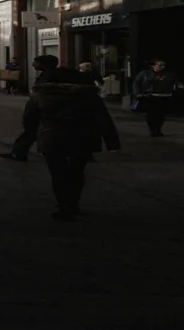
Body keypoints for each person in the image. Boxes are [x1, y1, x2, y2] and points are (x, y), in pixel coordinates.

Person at [23, 64, 121, 221]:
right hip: (83, 137)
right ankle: (73, 202)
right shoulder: (88, 95)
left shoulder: (40, 96)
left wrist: (31, 135)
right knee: (77, 171)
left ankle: (63, 204)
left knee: (58, 173)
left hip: (51, 137)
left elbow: (29, 118)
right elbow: (103, 119)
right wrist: (112, 142)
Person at [0, 54, 59, 162]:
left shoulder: (49, 76)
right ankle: (19, 152)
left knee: (32, 131)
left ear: (43, 64)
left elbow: (43, 93)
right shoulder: (47, 75)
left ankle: (19, 153)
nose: (33, 65)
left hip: (41, 109)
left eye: (36, 62)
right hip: (39, 108)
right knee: (31, 132)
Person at [133, 59, 180, 138]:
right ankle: (152, 129)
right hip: (150, 96)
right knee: (151, 114)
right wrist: (138, 93)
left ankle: (158, 129)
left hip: (164, 96)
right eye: (160, 65)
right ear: (154, 65)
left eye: (163, 65)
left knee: (161, 114)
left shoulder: (168, 74)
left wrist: (180, 86)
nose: (162, 67)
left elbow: (176, 81)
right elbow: (137, 82)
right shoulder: (145, 73)